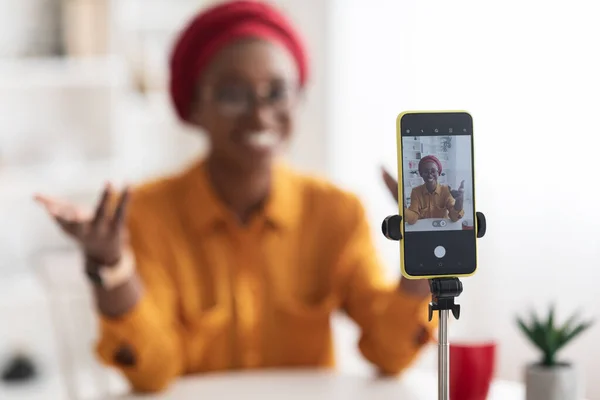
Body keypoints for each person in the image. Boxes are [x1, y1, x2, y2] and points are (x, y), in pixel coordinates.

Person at [34, 0, 436, 394]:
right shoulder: (148, 214)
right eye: (232, 94)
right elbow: (151, 372)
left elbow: (389, 352)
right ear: (192, 106)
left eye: (277, 92)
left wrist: (421, 247)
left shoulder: (336, 212)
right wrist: (113, 267)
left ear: (300, 98)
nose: (260, 115)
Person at [401, 155, 465, 225]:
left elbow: (454, 217)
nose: (429, 174)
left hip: (441, 228)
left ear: (438, 173)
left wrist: (459, 199)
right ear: (421, 174)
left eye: (433, 171)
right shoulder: (416, 192)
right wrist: (402, 207)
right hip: (423, 229)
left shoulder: (446, 190)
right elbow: (412, 218)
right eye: (425, 171)